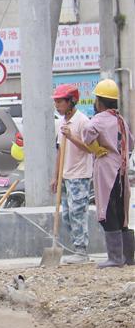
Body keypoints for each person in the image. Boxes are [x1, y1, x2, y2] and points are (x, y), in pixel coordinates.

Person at [79, 79, 134, 268]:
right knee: (121, 213)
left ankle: (115, 258)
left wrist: (96, 147)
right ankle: (128, 257)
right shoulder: (121, 120)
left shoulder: (99, 119)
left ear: (100, 101)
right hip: (122, 171)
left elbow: (87, 132)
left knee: (108, 212)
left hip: (107, 171)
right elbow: (131, 143)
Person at [51, 84, 93, 263]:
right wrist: (55, 176)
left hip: (80, 175)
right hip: (65, 175)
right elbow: (60, 151)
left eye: (60, 102)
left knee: (78, 213)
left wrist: (72, 137)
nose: (57, 105)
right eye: (56, 102)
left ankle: (81, 250)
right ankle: (76, 247)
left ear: (71, 101)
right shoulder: (61, 123)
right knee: (67, 215)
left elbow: (90, 148)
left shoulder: (83, 122)